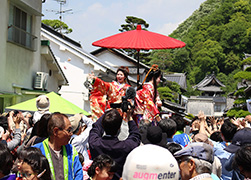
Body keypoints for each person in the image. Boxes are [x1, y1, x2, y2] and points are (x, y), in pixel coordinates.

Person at [88, 108, 141, 180]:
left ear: (103, 126)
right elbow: (135, 135)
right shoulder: (125, 147)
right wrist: (129, 117)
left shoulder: (94, 143)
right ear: (119, 128)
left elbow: (96, 128)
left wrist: (107, 114)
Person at [33, 112, 83, 180]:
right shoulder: (36, 151)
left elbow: (79, 174)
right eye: (68, 130)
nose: (71, 134)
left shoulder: (71, 150)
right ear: (55, 131)